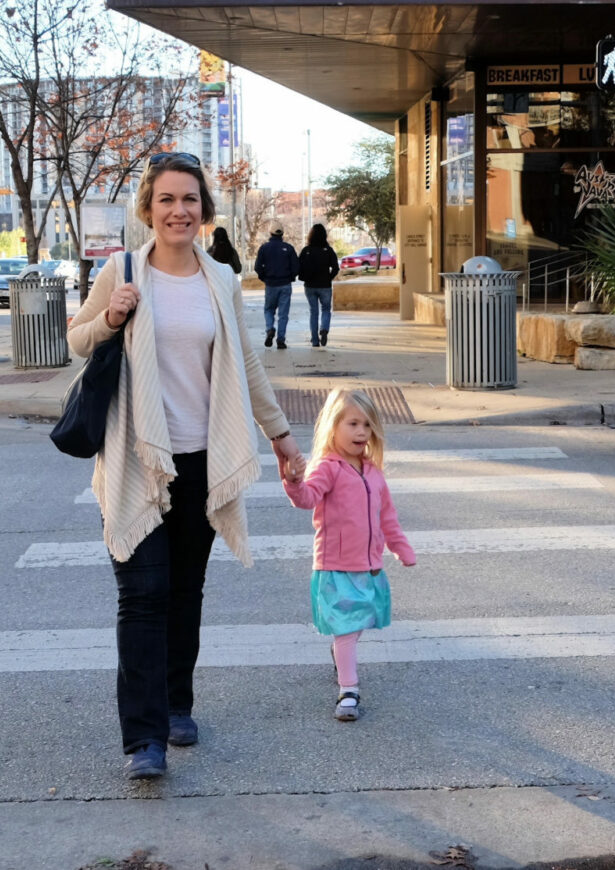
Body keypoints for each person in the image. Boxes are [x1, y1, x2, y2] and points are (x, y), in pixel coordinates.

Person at [66, 151, 306, 782]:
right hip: (137, 457)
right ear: (148, 208)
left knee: (183, 593)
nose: (179, 210)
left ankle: (177, 704)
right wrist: (112, 316)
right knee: (142, 595)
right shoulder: (119, 270)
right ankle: (143, 738)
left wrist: (280, 437)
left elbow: (246, 366)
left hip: (202, 458)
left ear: (204, 210)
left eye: (190, 200)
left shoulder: (220, 277)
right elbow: (76, 338)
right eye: (167, 199)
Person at [282, 389, 414, 721]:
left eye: (367, 425)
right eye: (353, 423)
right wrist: (294, 480)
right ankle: (349, 691)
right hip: (336, 567)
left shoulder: (373, 472)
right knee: (347, 628)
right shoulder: (327, 467)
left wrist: (400, 547)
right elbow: (307, 498)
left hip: (368, 566)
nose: (361, 432)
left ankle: (342, 655)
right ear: (333, 426)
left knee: (354, 628)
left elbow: (388, 517)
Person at [253, 227, 299, 349]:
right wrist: (291, 277)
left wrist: (264, 278)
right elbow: (296, 266)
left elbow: (257, 266)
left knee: (269, 310)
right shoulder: (289, 248)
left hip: (271, 284)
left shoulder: (264, 248)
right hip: (285, 284)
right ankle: (281, 340)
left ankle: (269, 329)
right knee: (283, 315)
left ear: (270, 233)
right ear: (282, 234)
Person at [297, 224, 340, 347]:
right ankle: (324, 329)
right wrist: (328, 278)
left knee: (313, 312)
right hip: (325, 286)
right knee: (326, 309)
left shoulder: (306, 250)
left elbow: (299, 267)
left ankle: (315, 340)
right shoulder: (328, 250)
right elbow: (336, 268)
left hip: (310, 286)